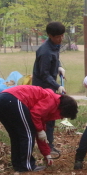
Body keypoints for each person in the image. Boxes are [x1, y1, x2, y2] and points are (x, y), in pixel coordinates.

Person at [0, 85, 78, 172]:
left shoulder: (48, 101)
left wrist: (46, 153)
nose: (60, 118)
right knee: (28, 135)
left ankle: (18, 164)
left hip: (0, 100)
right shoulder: (52, 100)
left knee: (16, 135)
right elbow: (35, 114)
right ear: (63, 109)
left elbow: (40, 131)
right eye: (63, 115)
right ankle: (27, 166)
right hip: (14, 99)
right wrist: (40, 130)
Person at [32, 21, 66, 156]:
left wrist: (58, 66)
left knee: (52, 117)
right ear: (50, 36)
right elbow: (43, 74)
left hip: (50, 86)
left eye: (62, 36)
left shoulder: (54, 46)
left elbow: (55, 59)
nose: (61, 39)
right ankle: (46, 146)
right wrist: (57, 86)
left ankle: (50, 144)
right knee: (45, 118)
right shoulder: (45, 51)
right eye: (58, 37)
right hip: (42, 89)